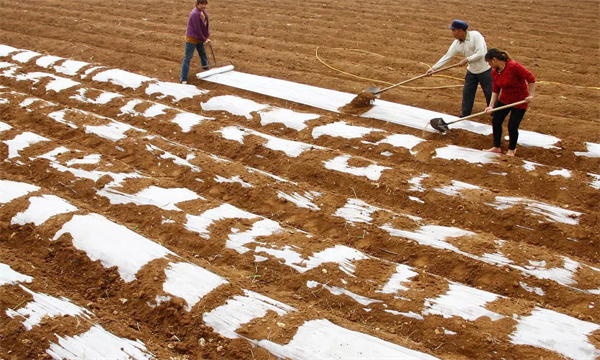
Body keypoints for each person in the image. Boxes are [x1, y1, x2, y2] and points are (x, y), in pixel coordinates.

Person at [426, 20, 492, 117]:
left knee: (489, 92)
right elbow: (447, 56)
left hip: (485, 70)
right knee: (467, 92)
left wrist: (467, 59)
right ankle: (465, 114)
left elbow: (481, 53)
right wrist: (434, 68)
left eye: (453, 30)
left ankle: (494, 113)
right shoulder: (457, 43)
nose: (452, 32)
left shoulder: (476, 36)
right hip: (472, 71)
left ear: (461, 30)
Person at [483, 48, 536, 156]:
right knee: (496, 121)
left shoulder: (513, 66)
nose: (488, 65)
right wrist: (491, 106)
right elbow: (495, 90)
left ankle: (512, 149)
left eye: (488, 62)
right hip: (505, 100)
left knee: (512, 125)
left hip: (519, 101)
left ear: (494, 60)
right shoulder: (495, 72)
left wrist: (530, 95)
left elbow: (531, 78)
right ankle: (496, 147)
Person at [180, 0, 211, 84]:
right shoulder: (195, 14)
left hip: (199, 38)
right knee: (188, 57)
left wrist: (207, 36)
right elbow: (197, 29)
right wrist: (204, 39)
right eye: (202, 4)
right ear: (197, 4)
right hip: (192, 38)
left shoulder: (203, 12)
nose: (204, 6)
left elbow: (205, 25)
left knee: (202, 53)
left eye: (205, 4)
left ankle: (206, 69)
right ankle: (183, 78)